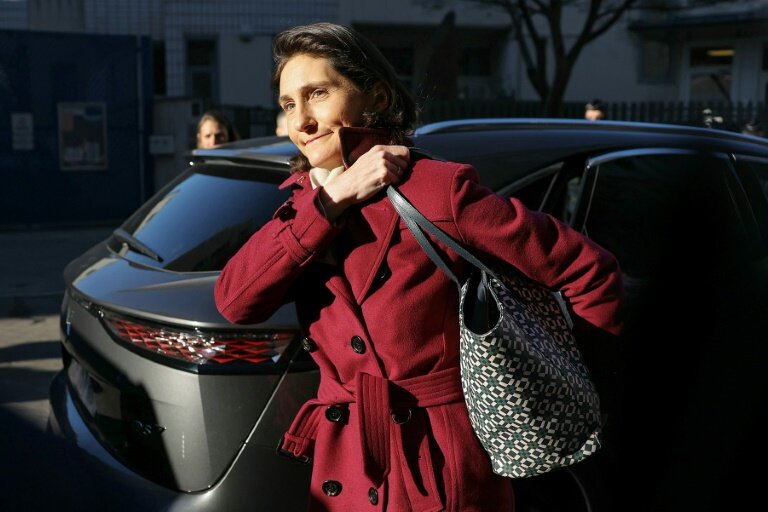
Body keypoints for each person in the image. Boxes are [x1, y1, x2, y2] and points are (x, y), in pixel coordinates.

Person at [214, 22, 624, 511]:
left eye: (318, 93)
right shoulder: (305, 204)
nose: (300, 121)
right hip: (346, 463)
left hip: (438, 462)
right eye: (287, 104)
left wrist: (577, 389)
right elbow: (235, 301)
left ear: (378, 98)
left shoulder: (435, 190)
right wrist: (333, 200)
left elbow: (588, 270)